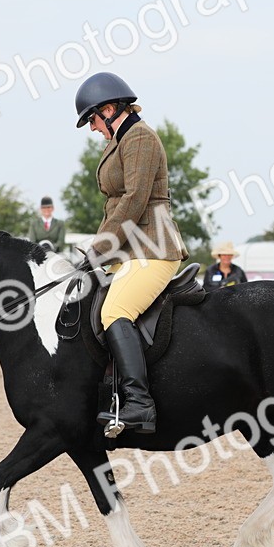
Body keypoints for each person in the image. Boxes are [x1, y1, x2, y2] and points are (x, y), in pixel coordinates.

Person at [75, 72, 188, 435]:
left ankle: (139, 404)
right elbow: (117, 207)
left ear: (109, 109)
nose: (93, 128)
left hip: (154, 248)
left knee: (115, 310)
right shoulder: (122, 139)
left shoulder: (139, 136)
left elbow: (134, 200)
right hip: (132, 251)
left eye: (92, 119)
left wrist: (99, 249)